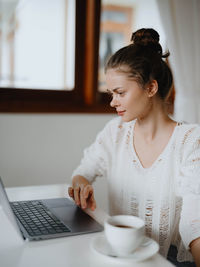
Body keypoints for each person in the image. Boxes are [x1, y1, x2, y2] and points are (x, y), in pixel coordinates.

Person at [68, 28, 200, 266]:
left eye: (119, 93)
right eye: (111, 93)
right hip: (122, 254)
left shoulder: (191, 141)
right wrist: (81, 184)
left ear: (150, 88)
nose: (112, 102)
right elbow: (84, 170)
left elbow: (195, 222)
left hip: (169, 260)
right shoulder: (114, 132)